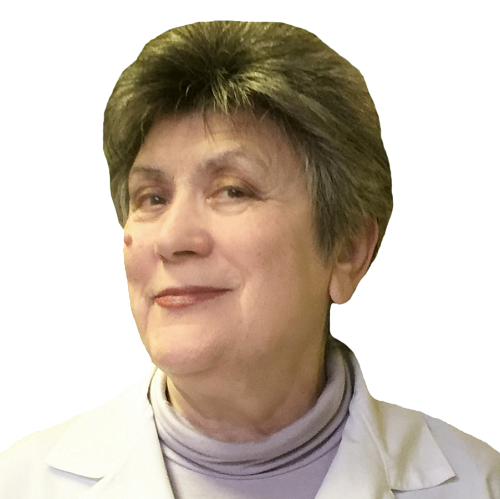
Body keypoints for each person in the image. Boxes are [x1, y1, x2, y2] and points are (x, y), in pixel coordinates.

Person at [1, 20, 498, 499]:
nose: (172, 238)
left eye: (232, 190)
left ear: (348, 250)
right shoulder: (18, 484)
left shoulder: (483, 485)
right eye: (152, 198)